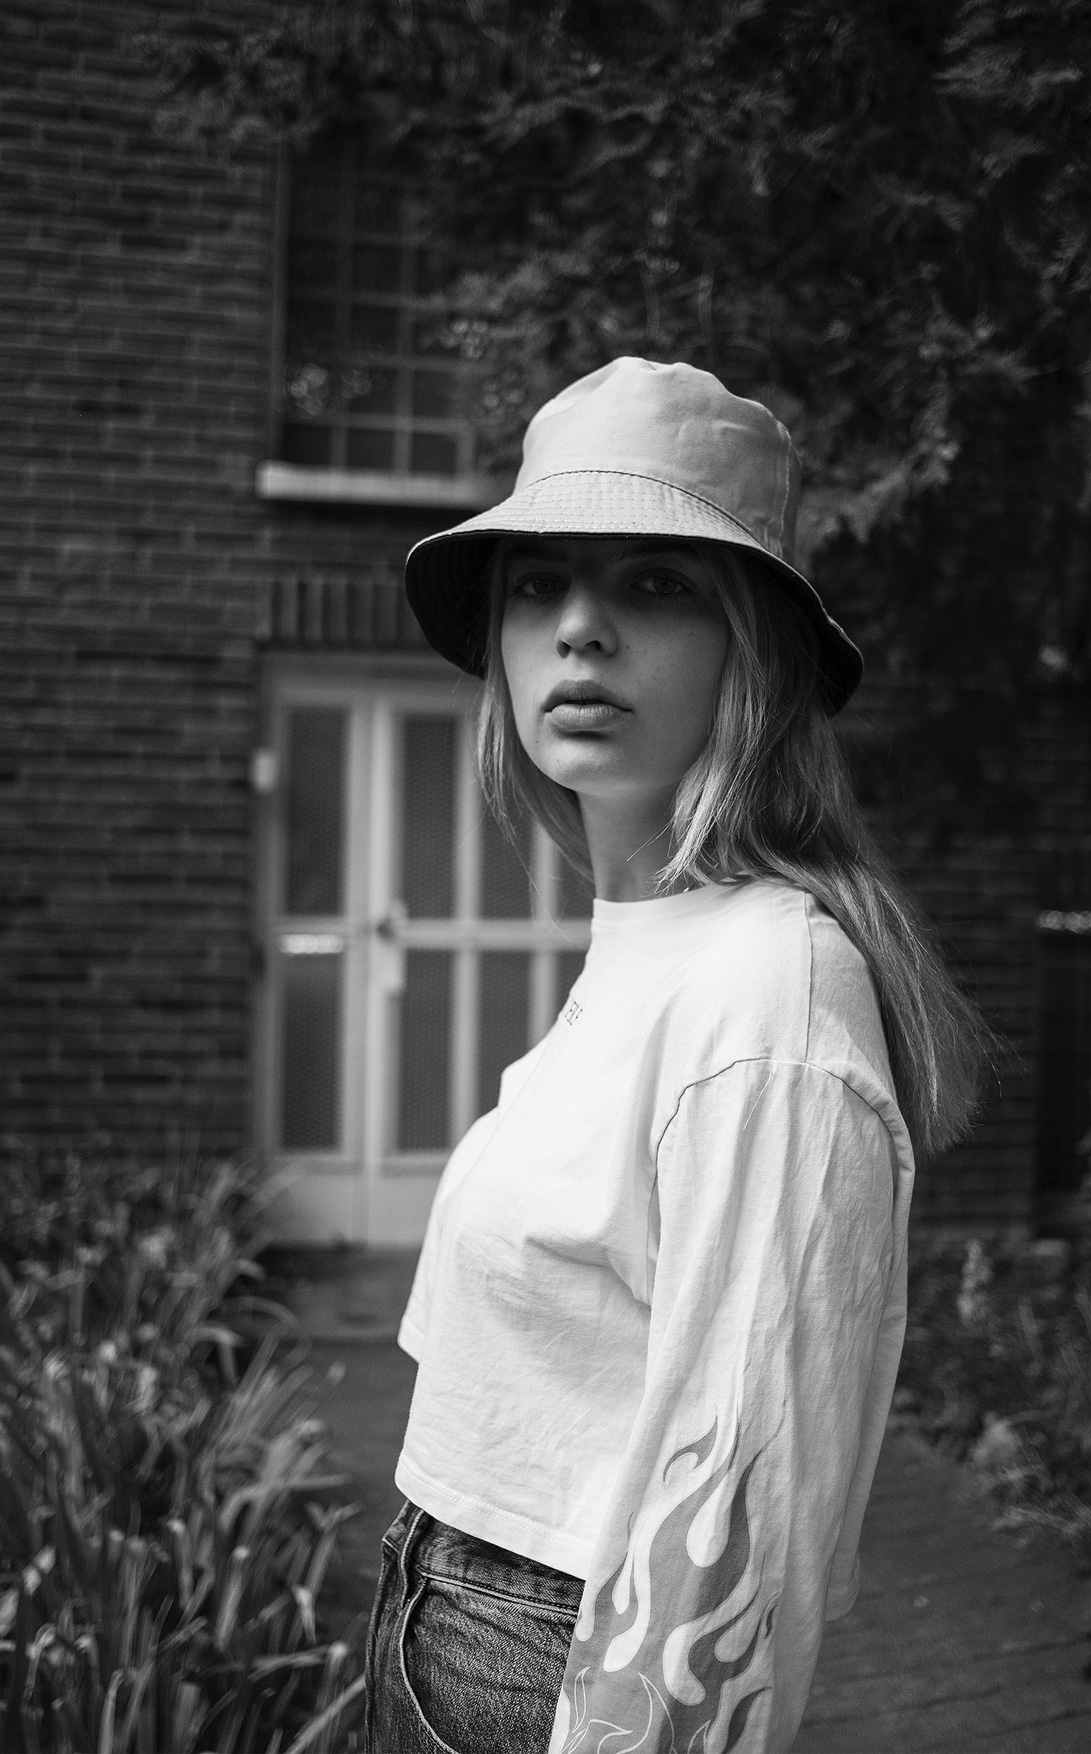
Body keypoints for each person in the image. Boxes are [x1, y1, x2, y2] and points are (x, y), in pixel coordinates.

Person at [366, 356, 990, 1753]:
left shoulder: (769, 988)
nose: (578, 628)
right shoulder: (650, 941)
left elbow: (739, 1517)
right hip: (448, 1613)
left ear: (748, 651)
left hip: (548, 1664)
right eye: (540, 585)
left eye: (654, 585)